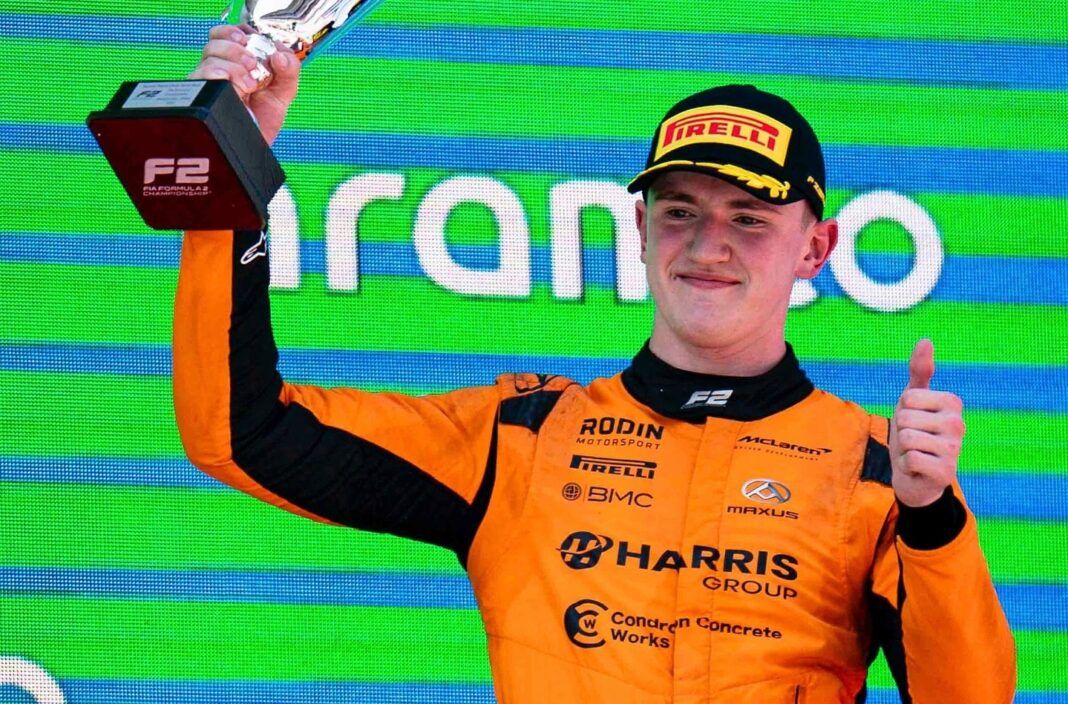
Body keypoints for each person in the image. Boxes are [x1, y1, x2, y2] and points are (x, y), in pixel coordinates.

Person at [174, 25, 1017, 703]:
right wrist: (228, 165)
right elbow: (241, 432)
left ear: (816, 249)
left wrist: (932, 519)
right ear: (641, 230)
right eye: (679, 211)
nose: (708, 246)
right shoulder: (518, 439)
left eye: (749, 218)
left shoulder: (876, 472)